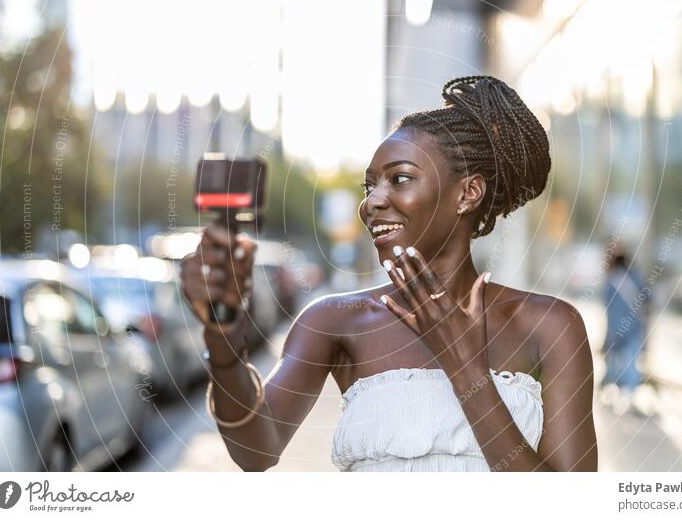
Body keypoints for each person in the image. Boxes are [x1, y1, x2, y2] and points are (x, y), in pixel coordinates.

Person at [181, 75, 598, 472]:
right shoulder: (337, 321)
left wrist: (465, 368)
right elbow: (255, 451)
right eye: (369, 187)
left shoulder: (552, 326)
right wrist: (223, 337)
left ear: (468, 193)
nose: (372, 203)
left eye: (399, 179)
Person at [601, 248, 648, 415]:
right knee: (632, 362)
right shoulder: (635, 277)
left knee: (614, 362)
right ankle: (630, 396)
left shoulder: (610, 281)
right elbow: (648, 298)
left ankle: (612, 393)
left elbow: (609, 310)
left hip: (616, 329)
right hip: (634, 328)